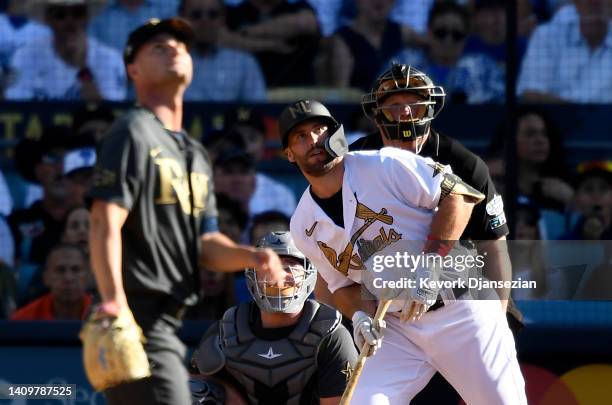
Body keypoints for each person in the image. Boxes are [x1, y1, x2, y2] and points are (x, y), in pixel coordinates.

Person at [87, 18, 286, 405]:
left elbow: (207, 244)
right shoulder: (132, 130)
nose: (174, 49)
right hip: (136, 317)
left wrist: (254, 256)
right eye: (158, 47)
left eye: (180, 45)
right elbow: (103, 220)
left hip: (169, 319)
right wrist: (114, 306)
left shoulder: (195, 153)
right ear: (133, 69)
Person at [280, 98, 526, 404]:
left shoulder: (385, 164)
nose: (314, 140)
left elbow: (460, 196)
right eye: (300, 137)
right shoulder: (303, 223)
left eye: (319, 129)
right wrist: (359, 317)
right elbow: (341, 286)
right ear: (289, 154)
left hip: (459, 304)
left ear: (336, 133)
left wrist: (430, 265)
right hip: (396, 329)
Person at [350, 63, 524, 402]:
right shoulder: (357, 161)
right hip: (392, 320)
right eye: (393, 104)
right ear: (376, 112)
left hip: (460, 304)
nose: (404, 112)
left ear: (431, 109)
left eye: (413, 103)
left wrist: (499, 318)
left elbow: (494, 248)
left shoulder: (463, 162)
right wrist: (359, 313)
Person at [191, 231, 358, 405]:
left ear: (309, 273)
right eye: (271, 267)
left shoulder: (330, 334)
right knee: (196, 390)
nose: (279, 276)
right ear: (252, 275)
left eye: (290, 266)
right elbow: (196, 382)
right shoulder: (226, 330)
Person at [5, 0, 126, 101]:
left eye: (77, 13)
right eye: (60, 15)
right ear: (48, 19)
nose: (70, 21)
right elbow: (15, 104)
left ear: (87, 17)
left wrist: (84, 72)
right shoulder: (25, 56)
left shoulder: (110, 59)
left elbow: (114, 112)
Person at [180, 0, 266, 102]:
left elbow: (258, 109)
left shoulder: (244, 64)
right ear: (182, 19)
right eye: (196, 15)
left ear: (223, 19)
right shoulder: (170, 62)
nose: (205, 20)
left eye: (213, 14)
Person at [11, 243, 92, 320]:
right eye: (60, 270)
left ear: (88, 277)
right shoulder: (23, 320)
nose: (69, 278)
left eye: (76, 270)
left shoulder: (102, 317)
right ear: (46, 278)